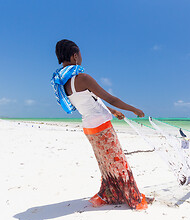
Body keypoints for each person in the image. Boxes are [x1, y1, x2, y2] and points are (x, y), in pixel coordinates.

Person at [51, 39, 151, 210]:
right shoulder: (82, 78)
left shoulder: (63, 82)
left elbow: (89, 101)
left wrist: (112, 111)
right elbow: (110, 98)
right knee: (119, 164)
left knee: (106, 164)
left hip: (90, 128)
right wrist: (133, 109)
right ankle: (133, 199)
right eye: (80, 54)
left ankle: (111, 194)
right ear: (75, 55)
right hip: (102, 128)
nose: (82, 57)